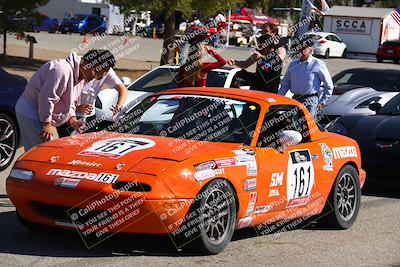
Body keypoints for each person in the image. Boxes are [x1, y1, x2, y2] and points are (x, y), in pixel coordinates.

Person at [15, 49, 116, 151]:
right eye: (96, 72)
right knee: (40, 152)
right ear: (86, 63)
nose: (96, 77)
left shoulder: (80, 76)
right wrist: (47, 124)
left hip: (39, 113)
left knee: (43, 151)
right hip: (31, 112)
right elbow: (47, 98)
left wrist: (72, 119)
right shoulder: (62, 70)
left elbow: (70, 101)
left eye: (101, 76)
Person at [57, 67, 127, 137]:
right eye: (101, 72)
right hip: (69, 116)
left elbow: (123, 89)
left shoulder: (107, 69)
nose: (104, 76)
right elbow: (59, 97)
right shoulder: (75, 70)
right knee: (67, 144)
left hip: (90, 117)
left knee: (89, 144)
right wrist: (75, 108)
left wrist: (119, 106)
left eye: (106, 72)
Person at [278, 37, 334, 120]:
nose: (300, 51)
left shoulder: (318, 64)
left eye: (303, 49)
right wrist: (279, 99)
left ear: (310, 50)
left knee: (308, 128)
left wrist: (322, 102)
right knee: (295, 127)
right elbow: (285, 84)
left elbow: (329, 85)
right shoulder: (293, 64)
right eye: (299, 48)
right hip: (295, 100)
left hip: (310, 101)